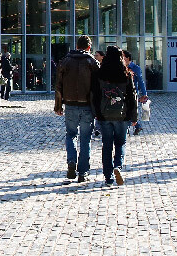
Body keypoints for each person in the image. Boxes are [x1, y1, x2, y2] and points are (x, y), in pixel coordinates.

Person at [54, 35, 100, 183]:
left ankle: (71, 161)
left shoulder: (66, 61)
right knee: (86, 139)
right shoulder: (92, 62)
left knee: (71, 135)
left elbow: (59, 85)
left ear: (77, 45)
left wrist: (58, 105)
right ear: (88, 47)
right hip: (87, 105)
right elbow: (98, 87)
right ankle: (83, 172)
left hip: (71, 104)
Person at [92, 46, 138, 187]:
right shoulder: (126, 74)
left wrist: (97, 114)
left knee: (107, 146)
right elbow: (132, 97)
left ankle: (108, 177)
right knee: (120, 143)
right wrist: (134, 117)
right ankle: (117, 166)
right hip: (122, 115)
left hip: (105, 115)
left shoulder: (99, 74)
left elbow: (95, 96)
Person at [125, 50, 149, 135]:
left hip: (133, 92)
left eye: (123, 57)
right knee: (127, 110)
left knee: (132, 109)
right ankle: (137, 126)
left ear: (127, 58)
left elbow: (141, 81)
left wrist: (144, 94)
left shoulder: (135, 68)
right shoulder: (121, 67)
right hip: (124, 92)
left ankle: (135, 126)